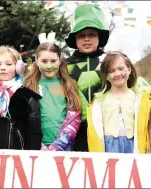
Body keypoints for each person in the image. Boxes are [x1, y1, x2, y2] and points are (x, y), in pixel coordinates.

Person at [64, 4, 110, 151]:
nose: (86, 39)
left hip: (107, 127)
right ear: (75, 39)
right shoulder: (64, 66)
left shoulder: (110, 62)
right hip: (75, 129)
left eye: (91, 34)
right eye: (81, 35)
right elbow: (56, 94)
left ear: (99, 37)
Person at [87, 51, 151, 153]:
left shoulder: (139, 98)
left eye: (121, 69)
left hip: (133, 145)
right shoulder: (99, 102)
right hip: (109, 146)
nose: (117, 74)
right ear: (105, 75)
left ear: (129, 70)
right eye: (111, 71)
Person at [24, 40, 82, 151]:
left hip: (64, 147)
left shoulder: (68, 85)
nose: (49, 66)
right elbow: (23, 119)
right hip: (35, 147)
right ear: (36, 61)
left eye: (53, 61)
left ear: (60, 61)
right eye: (44, 61)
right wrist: (38, 145)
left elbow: (74, 116)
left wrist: (57, 146)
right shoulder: (28, 86)